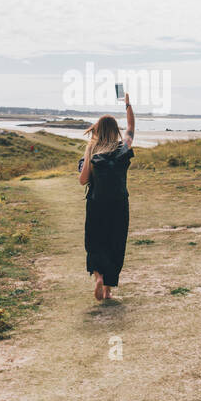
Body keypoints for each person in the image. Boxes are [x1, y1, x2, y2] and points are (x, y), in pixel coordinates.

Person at [77, 93, 135, 301]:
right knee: (115, 242)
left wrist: (84, 164)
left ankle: (99, 277)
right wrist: (127, 104)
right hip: (119, 204)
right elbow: (131, 128)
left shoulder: (92, 149)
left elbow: (83, 180)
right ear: (115, 131)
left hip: (96, 204)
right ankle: (108, 290)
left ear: (98, 130)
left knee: (95, 241)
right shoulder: (124, 147)